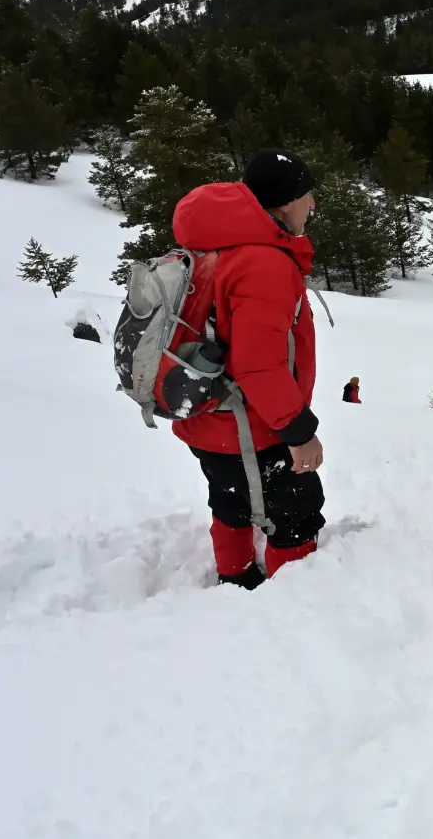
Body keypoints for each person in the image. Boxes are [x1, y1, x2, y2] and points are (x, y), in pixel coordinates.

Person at [170, 148, 325, 589]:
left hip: (211, 416)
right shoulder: (263, 263)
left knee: (232, 504)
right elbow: (259, 366)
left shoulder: (215, 247)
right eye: (306, 195)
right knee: (294, 515)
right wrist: (298, 432)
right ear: (283, 202)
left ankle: (234, 580)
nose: (311, 205)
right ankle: (288, 603)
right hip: (253, 427)